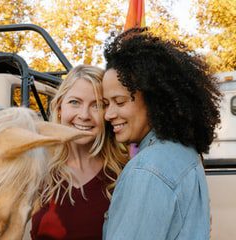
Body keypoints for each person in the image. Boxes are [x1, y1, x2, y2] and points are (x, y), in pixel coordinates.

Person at [102, 28, 221, 240]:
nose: (108, 114)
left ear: (153, 99)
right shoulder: (184, 153)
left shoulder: (147, 169)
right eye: (105, 104)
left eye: (119, 102)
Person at [30, 64, 128, 239]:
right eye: (74, 102)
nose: (84, 115)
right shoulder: (37, 171)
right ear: (59, 108)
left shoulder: (123, 175)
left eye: (96, 105)